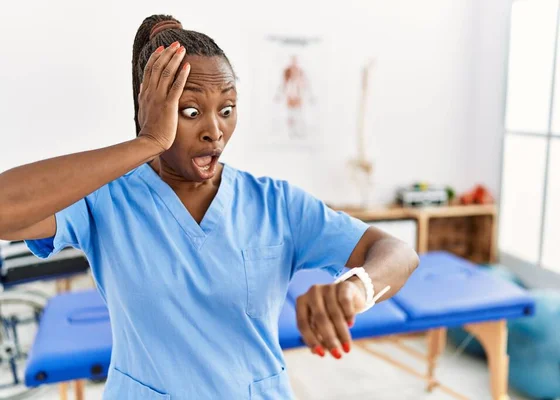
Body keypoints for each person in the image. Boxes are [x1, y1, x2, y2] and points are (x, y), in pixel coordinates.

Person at [0, 15, 419, 399]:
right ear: (152, 111)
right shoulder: (105, 199)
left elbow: (398, 253)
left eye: (227, 110)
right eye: (191, 111)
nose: (214, 131)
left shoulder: (274, 203)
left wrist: (355, 289)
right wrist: (146, 143)